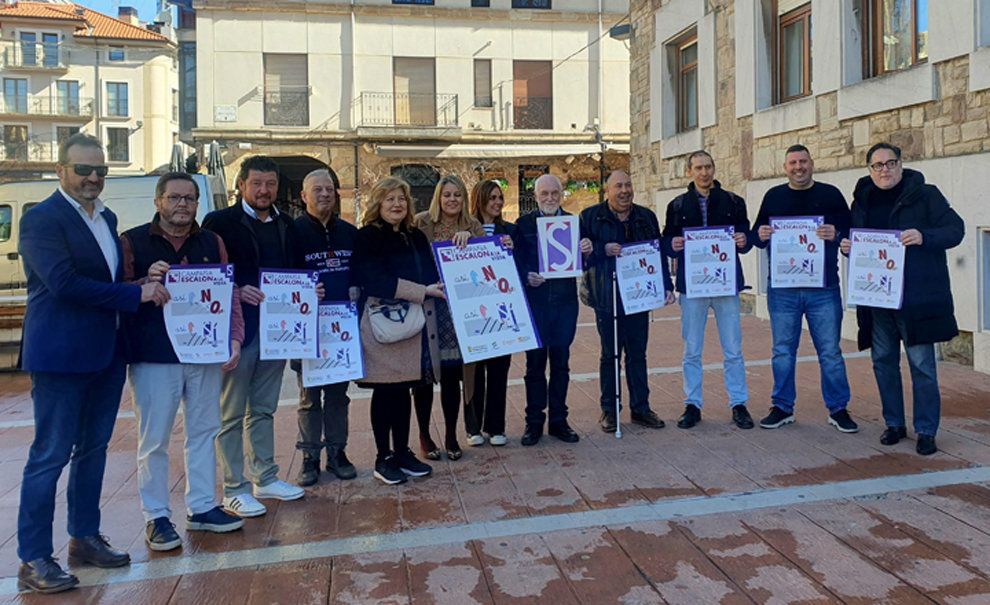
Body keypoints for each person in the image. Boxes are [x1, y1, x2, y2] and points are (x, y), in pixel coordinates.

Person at [16, 133, 169, 594]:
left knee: (93, 452)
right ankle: (34, 557)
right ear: (61, 170)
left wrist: (143, 281)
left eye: (100, 170)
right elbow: (63, 284)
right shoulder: (41, 219)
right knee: (49, 457)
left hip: (105, 353)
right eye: (83, 169)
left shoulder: (108, 218)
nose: (92, 178)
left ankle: (83, 538)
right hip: (61, 356)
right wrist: (133, 293)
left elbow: (108, 281)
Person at [121, 172, 245, 552]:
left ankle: (203, 506)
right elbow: (117, 292)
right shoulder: (133, 240)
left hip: (204, 353)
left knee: (205, 431)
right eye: (174, 197)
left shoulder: (212, 241)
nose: (183, 205)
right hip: (154, 355)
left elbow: (231, 293)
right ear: (158, 201)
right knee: (154, 438)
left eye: (190, 198)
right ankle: (156, 515)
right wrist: (145, 281)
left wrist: (235, 338)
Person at [840, 142, 964, 455]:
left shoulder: (926, 195)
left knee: (921, 364)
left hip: (917, 297)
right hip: (877, 297)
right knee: (883, 361)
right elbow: (855, 237)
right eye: (877, 165)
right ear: (869, 169)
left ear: (901, 165)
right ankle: (894, 423)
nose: (885, 170)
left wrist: (925, 236)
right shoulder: (863, 199)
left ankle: (926, 430)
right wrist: (849, 246)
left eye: (890, 163)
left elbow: (956, 229)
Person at [202, 156, 307, 517]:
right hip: (237, 332)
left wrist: (310, 292)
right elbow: (207, 275)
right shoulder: (218, 223)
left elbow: (296, 272)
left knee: (263, 409)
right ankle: (234, 487)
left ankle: (265, 476)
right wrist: (235, 289)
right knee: (229, 414)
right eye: (257, 184)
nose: (264, 191)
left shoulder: (287, 225)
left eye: (271, 184)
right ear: (241, 186)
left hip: (277, 331)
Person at [751, 145, 857, 432]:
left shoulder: (830, 194)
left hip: (823, 288)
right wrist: (760, 234)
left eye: (803, 162)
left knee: (830, 351)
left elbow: (851, 236)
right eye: (793, 163)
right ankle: (782, 406)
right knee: (783, 351)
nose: (798, 167)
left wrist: (836, 234)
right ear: (785, 167)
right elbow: (756, 236)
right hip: (783, 289)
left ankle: (838, 409)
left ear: (812, 164)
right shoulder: (774, 196)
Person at [352, 177, 444, 484]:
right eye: (390, 199)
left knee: (404, 390)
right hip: (382, 324)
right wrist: (420, 290)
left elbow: (431, 273)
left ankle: (403, 452)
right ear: (378, 204)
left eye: (401, 199)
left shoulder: (415, 236)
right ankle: (383, 458)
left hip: (414, 324)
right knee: (385, 392)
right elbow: (372, 279)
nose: (397, 204)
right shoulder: (367, 236)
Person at [662, 150, 755, 430]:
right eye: (698, 168)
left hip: (726, 284)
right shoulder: (677, 205)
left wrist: (743, 239)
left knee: (733, 348)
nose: (704, 172)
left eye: (708, 167)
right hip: (693, 285)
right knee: (692, 348)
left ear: (714, 169)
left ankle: (738, 403)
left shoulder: (733, 201)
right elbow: (666, 239)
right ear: (689, 172)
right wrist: (673, 245)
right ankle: (693, 404)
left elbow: (747, 238)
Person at [579, 170, 674, 433]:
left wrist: (666, 286)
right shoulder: (590, 217)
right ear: (607, 190)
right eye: (618, 186)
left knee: (637, 355)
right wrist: (602, 250)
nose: (624, 191)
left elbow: (657, 254)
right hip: (606, 297)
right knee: (610, 355)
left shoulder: (646, 216)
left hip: (639, 297)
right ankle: (609, 411)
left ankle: (641, 408)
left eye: (628, 185)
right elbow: (579, 255)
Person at [292, 168, 359, 486]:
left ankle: (337, 453)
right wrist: (303, 292)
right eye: (317, 189)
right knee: (308, 398)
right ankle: (309, 458)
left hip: (342, 330)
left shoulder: (350, 232)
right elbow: (281, 280)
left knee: (337, 397)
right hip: (306, 329)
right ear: (304, 196)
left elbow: (362, 273)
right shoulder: (291, 233)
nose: (324, 194)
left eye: (330, 189)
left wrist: (358, 290)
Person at [412, 175, 486, 461]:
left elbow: (489, 258)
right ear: (438, 198)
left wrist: (472, 240)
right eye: (447, 195)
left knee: (454, 377)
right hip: (428, 309)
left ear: (464, 199)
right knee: (424, 379)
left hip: (458, 316)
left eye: (457, 195)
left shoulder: (473, 225)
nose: (452, 200)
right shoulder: (421, 222)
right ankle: (424, 436)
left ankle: (452, 434)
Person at [513, 174, 581, 446]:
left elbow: (587, 261)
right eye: (545, 194)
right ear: (536, 196)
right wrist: (526, 275)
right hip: (537, 305)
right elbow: (515, 261)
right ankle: (533, 423)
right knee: (535, 366)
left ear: (561, 195)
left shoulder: (575, 223)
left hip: (565, 303)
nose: (550, 198)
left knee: (561, 364)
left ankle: (559, 421)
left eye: (555, 193)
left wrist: (587, 250)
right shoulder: (524, 224)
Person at [463, 180, 515, 447]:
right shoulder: (466, 230)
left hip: (502, 311)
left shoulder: (510, 231)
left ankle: (496, 426)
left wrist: (512, 249)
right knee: (473, 372)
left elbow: (521, 266)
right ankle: (472, 427)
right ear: (480, 199)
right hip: (473, 310)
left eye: (500, 197)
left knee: (499, 369)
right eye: (492, 197)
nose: (497, 202)